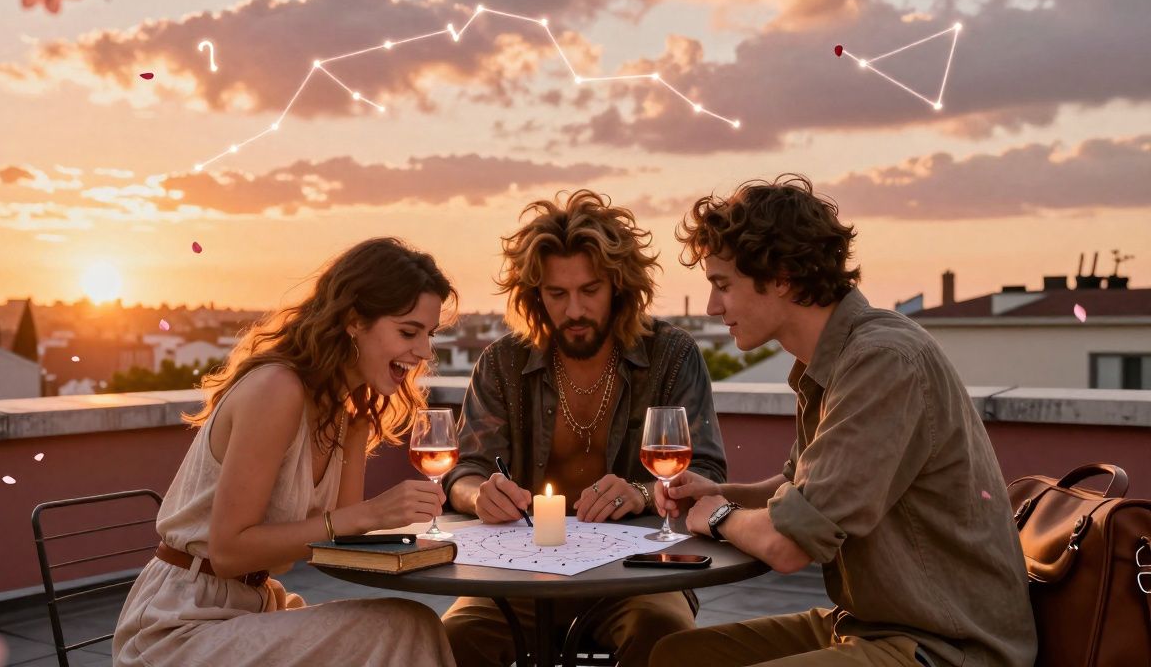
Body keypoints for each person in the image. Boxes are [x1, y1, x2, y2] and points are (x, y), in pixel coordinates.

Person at [650, 175, 1036, 667]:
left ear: (782, 277)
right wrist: (717, 494)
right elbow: (796, 491)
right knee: (675, 655)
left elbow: (788, 545)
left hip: (946, 647)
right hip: (867, 625)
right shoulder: (835, 362)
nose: (712, 307)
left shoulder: (884, 363)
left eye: (723, 285)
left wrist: (721, 518)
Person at [113, 237, 458, 667]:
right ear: (354, 320)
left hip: (252, 606)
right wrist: (373, 513)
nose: (424, 351)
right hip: (181, 624)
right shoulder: (277, 389)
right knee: (403, 628)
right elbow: (228, 552)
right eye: (408, 331)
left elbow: (341, 542)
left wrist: (400, 526)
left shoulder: (345, 411)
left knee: (408, 628)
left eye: (429, 334)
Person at [442, 190, 726, 667]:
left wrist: (640, 490)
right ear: (535, 295)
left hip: (635, 577)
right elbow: (466, 470)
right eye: (557, 293)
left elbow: (705, 469)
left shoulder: (671, 356)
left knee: (666, 636)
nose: (574, 310)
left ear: (619, 286)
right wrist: (477, 495)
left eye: (589, 290)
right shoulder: (502, 362)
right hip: (513, 575)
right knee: (447, 641)